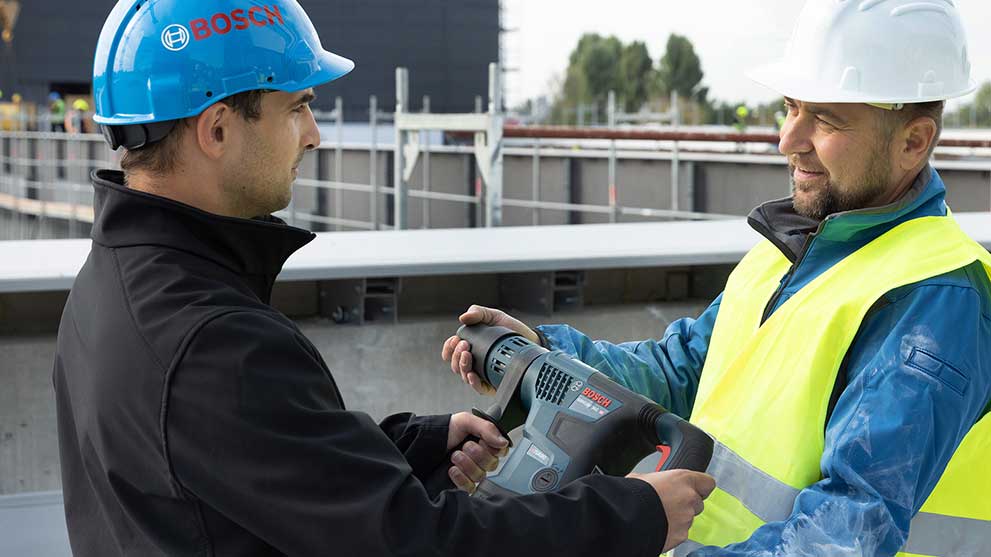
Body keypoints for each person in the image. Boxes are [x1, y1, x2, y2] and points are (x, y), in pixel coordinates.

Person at [53, 1, 714, 556]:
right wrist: (631, 513)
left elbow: (255, 463)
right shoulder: (217, 342)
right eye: (297, 106)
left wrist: (416, 443)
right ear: (218, 128)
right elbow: (414, 543)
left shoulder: (111, 285)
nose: (312, 134)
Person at [444, 1, 991, 556]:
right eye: (790, 107)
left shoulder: (933, 300)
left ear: (913, 142)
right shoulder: (792, 255)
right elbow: (679, 371)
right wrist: (543, 353)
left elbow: (848, 530)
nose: (788, 139)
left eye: (824, 119)